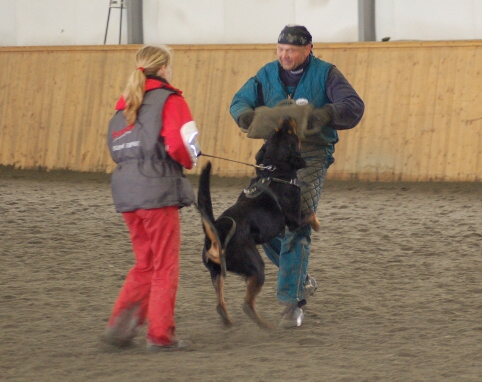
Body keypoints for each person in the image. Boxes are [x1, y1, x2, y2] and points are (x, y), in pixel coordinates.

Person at [230, 25, 364, 328]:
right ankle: (299, 278)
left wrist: (327, 114)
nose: (284, 56)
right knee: (266, 228)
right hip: (273, 156)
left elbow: (353, 106)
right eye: (280, 50)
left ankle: (292, 303)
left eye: (290, 51)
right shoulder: (266, 74)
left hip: (311, 156)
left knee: (298, 221)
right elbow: (239, 101)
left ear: (308, 49)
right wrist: (245, 116)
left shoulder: (327, 73)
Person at [102, 45, 201, 351]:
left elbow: (115, 148)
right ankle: (161, 335)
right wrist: (190, 160)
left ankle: (122, 324)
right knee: (164, 265)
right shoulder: (171, 100)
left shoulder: (123, 107)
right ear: (164, 69)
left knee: (144, 263)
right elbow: (182, 146)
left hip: (126, 192)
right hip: (157, 192)